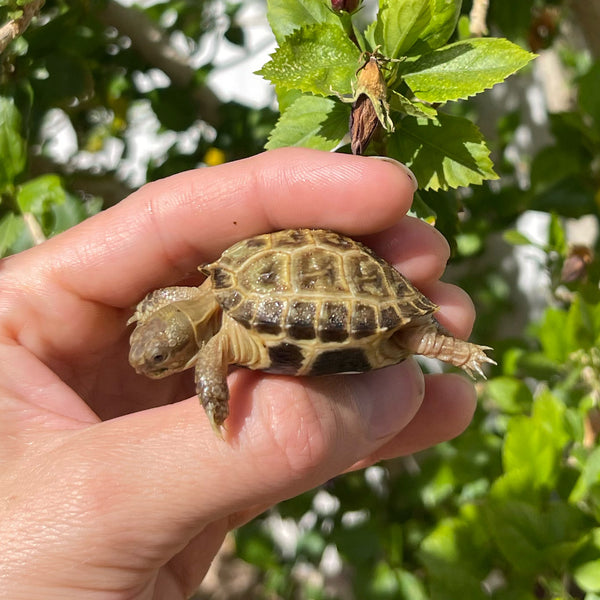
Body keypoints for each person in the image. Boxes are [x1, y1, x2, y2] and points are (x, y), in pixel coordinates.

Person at [0, 148, 477, 599]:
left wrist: (216, 406)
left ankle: (445, 346)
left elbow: (204, 358)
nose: (149, 364)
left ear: (186, 343)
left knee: (407, 336)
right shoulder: (203, 304)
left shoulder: (215, 344)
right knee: (400, 341)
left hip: (329, 300)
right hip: (270, 291)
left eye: (161, 360)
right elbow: (166, 301)